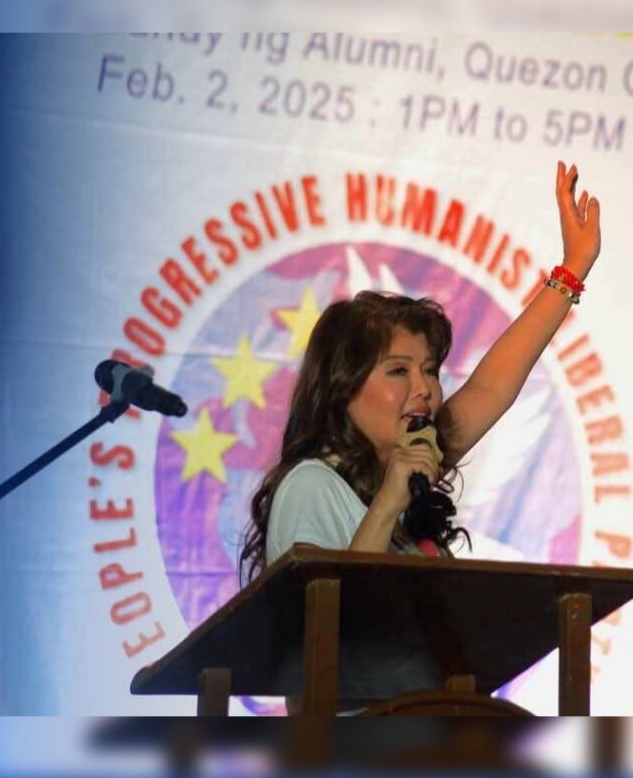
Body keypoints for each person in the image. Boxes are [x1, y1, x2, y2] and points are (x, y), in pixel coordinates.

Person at [239, 160, 601, 584]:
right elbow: (330, 612)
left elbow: (490, 386)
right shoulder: (311, 485)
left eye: (429, 371)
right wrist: (389, 503)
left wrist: (573, 267)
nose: (424, 388)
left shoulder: (406, 470)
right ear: (342, 388)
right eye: (398, 371)